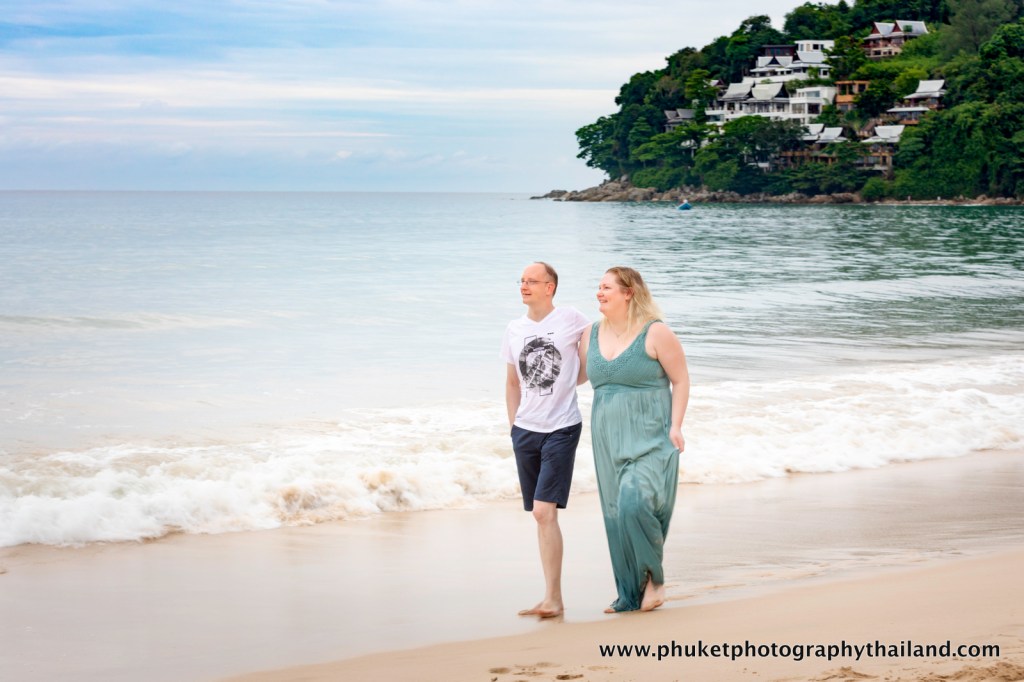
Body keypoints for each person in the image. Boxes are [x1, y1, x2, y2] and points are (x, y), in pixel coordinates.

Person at [579, 266, 689, 613]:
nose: (599, 293)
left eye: (607, 287)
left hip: (652, 433)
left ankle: (655, 582)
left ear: (629, 293)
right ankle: (629, 592)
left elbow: (681, 380)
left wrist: (676, 425)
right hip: (607, 436)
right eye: (598, 287)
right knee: (616, 514)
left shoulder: (656, 333)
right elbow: (573, 378)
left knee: (633, 502)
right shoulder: (588, 335)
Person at [500, 261, 590, 618]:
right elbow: (511, 382)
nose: (524, 286)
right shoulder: (513, 328)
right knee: (542, 517)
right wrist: (513, 426)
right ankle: (552, 597)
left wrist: (571, 381)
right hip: (525, 430)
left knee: (542, 510)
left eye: (532, 281)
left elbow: (595, 355)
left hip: (562, 428)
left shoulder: (571, 318)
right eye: (521, 280)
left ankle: (554, 598)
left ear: (550, 287)